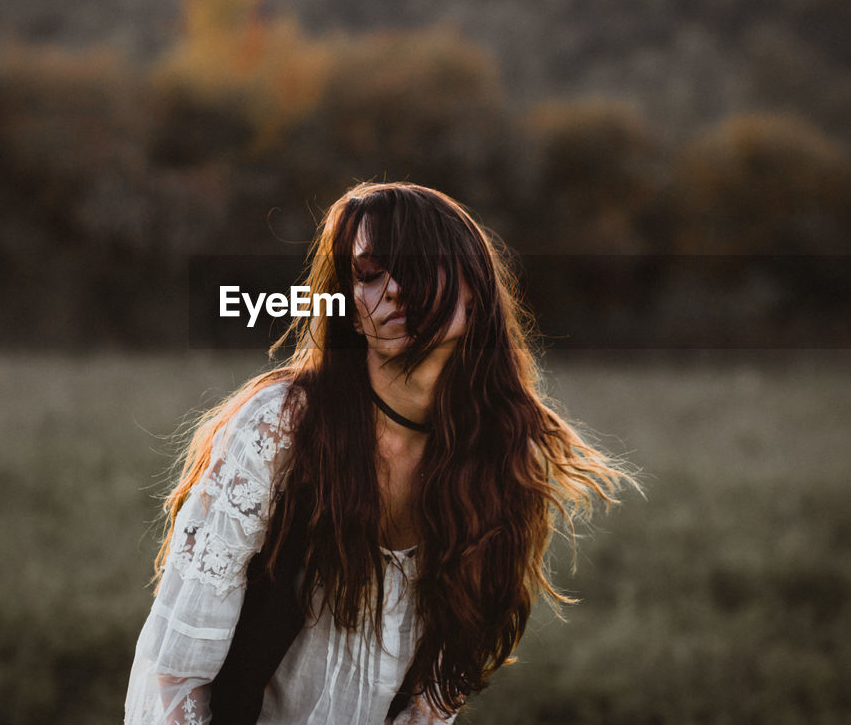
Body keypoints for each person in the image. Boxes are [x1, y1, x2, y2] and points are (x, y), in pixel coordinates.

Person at [124, 182, 637, 725]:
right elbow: (179, 669)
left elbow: (440, 690)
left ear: (474, 289)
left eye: (413, 266)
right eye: (367, 275)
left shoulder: (505, 456)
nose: (389, 290)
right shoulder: (281, 428)